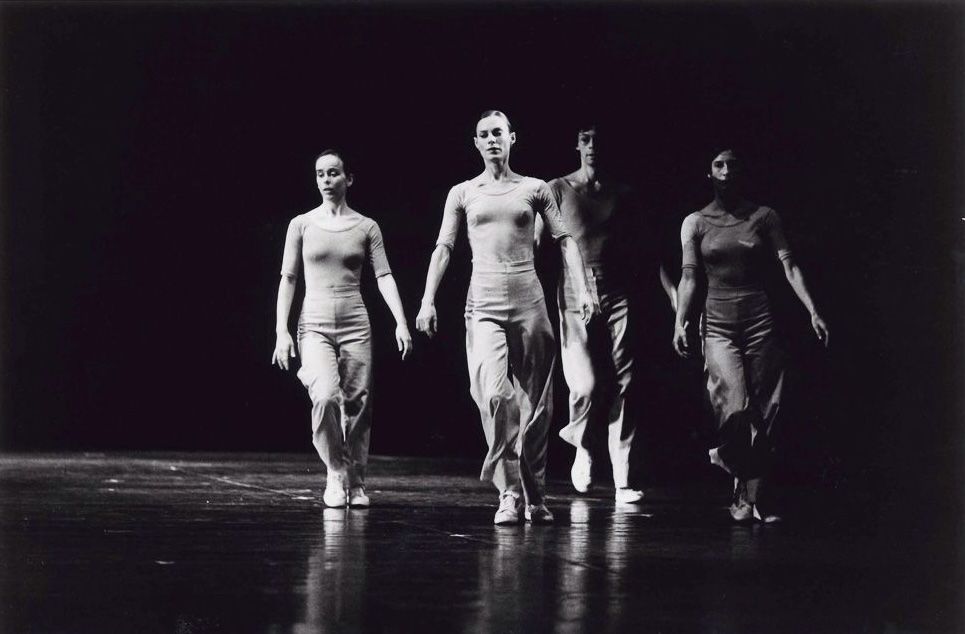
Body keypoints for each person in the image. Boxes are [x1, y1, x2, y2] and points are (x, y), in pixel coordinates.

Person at [416, 110, 597, 526]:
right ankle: (509, 492)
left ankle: (536, 495)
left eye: (499, 132)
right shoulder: (462, 193)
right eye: (484, 134)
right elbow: (443, 248)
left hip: (529, 301)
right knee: (494, 395)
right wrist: (428, 299)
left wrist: (583, 289)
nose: (492, 139)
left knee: (537, 407)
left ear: (513, 138)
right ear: (476, 144)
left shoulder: (534, 189)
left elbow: (565, 240)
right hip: (483, 302)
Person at [673, 148, 829, 522]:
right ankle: (727, 459)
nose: (726, 171)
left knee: (768, 410)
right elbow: (690, 277)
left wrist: (813, 310)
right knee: (734, 408)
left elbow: (789, 266)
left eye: (733, 164)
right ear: (708, 173)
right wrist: (679, 321)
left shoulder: (764, 217)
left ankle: (749, 498)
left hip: (761, 322)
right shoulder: (694, 222)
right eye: (718, 164)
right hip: (718, 325)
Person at [538, 122, 677, 503]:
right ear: (576, 145)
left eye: (599, 140)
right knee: (584, 385)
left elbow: (649, 252)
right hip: (573, 293)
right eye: (585, 139)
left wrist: (674, 295)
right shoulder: (557, 189)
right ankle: (582, 446)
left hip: (618, 295)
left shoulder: (623, 195)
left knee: (624, 384)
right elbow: (535, 243)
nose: (592, 146)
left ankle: (622, 478)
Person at [272, 149, 413, 508]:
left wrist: (400, 321)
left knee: (358, 405)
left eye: (333, 173)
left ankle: (357, 483)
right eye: (320, 174)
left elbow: (384, 276)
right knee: (324, 396)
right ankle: (336, 471)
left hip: (355, 324)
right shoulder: (301, 224)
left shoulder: (366, 226)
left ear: (348, 179)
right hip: (313, 324)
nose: (325, 181)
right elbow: (288, 278)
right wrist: (281, 330)